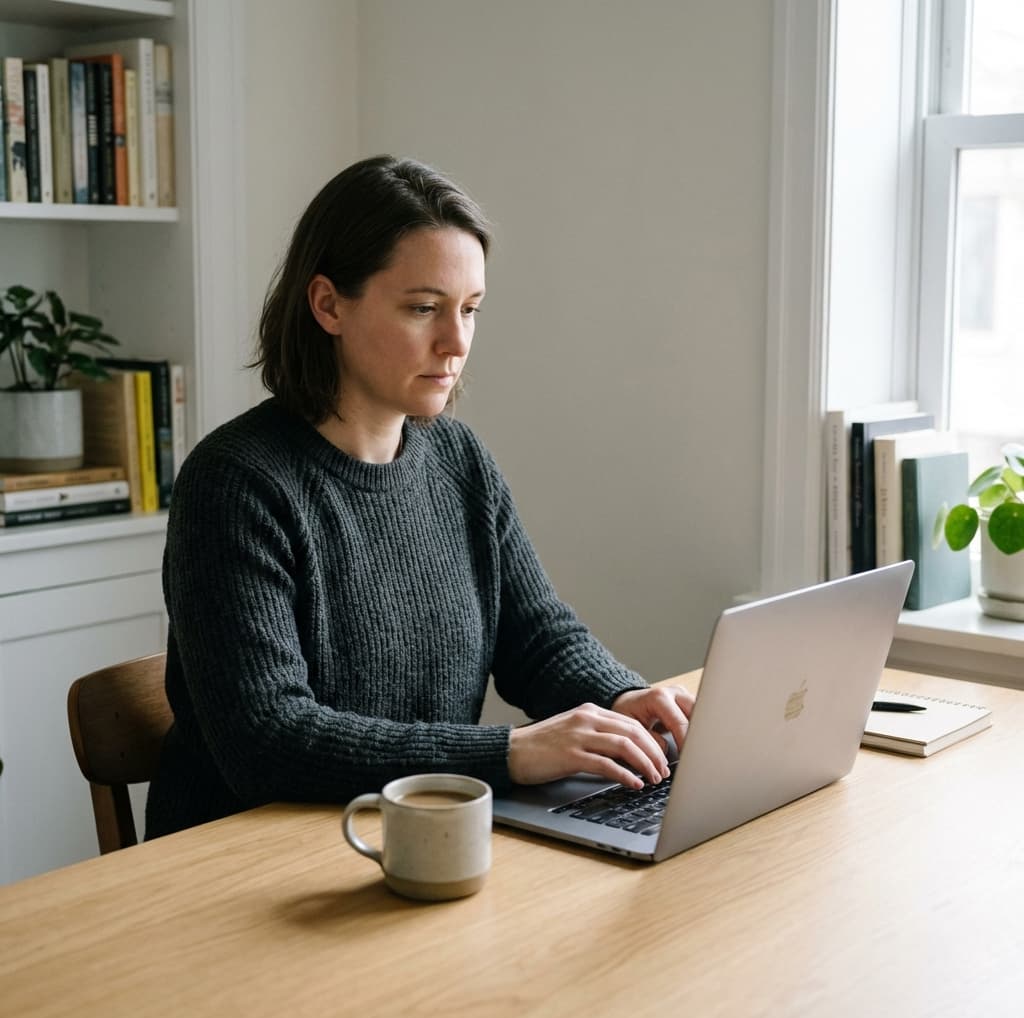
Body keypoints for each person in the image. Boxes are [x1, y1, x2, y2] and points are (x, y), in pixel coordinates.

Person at [145, 155, 694, 839]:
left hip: (419, 838)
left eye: (469, 310)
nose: (455, 341)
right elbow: (268, 739)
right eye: (423, 308)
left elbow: (536, 636)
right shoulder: (235, 483)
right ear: (327, 305)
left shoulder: (460, 460)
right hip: (248, 867)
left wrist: (623, 696)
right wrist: (509, 753)